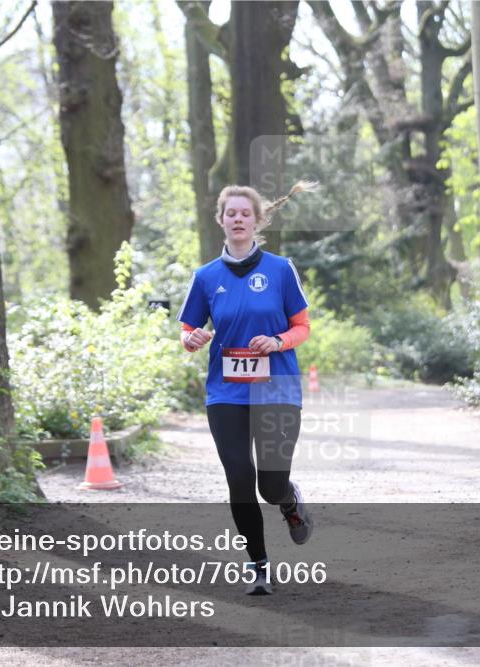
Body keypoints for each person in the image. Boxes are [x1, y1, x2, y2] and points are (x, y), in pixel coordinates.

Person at [177, 181, 317, 595]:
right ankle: (259, 568)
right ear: (221, 221)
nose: (237, 219)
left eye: (245, 213)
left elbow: (303, 326)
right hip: (226, 392)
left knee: (269, 486)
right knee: (239, 478)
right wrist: (191, 339)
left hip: (277, 389)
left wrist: (277, 342)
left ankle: (290, 502)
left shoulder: (279, 269)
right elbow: (189, 329)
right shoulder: (205, 277)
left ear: (257, 221)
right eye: (230, 213)